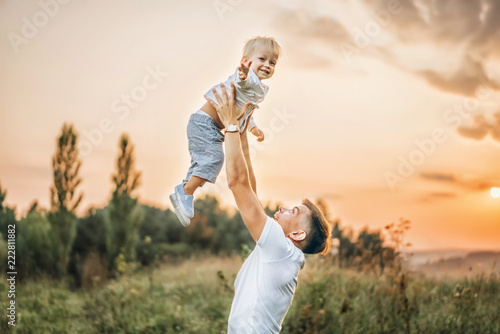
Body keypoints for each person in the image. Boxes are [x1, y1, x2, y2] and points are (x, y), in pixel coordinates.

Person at [207, 82, 332, 334]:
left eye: (294, 212)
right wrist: (241, 130)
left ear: (297, 235)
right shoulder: (283, 252)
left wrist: (230, 124)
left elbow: (236, 183)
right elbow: (250, 190)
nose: (284, 208)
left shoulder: (282, 250)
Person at [170, 36, 281, 226]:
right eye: (262, 59)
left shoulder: (256, 89)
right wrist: (244, 73)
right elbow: (241, 82)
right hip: (205, 124)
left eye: (272, 62)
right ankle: (185, 191)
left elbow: (244, 109)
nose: (267, 65)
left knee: (204, 163)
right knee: (213, 159)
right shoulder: (246, 79)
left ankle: (185, 192)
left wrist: (253, 128)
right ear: (246, 61)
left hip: (207, 126)